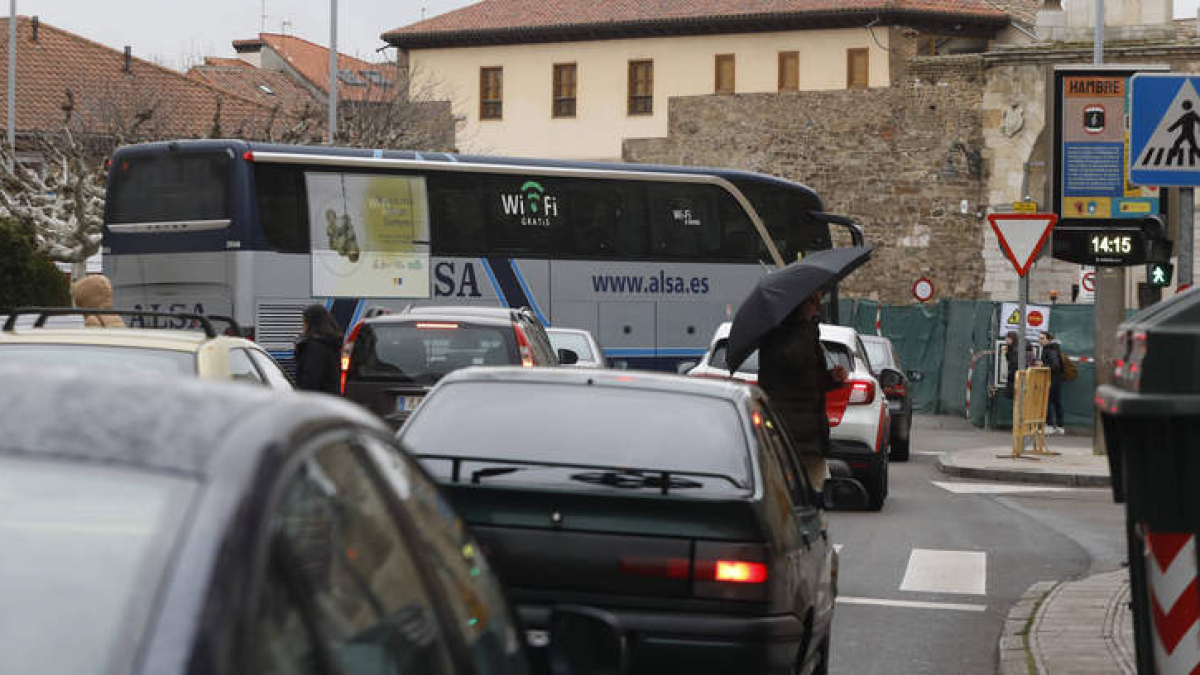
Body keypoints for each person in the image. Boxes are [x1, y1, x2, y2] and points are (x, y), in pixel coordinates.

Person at [757, 289, 849, 486]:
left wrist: (831, 378)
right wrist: (804, 326)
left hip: (811, 438)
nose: (818, 308)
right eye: (813, 301)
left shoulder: (806, 333)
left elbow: (808, 380)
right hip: (789, 436)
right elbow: (791, 361)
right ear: (800, 305)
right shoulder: (779, 333)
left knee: (816, 493)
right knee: (796, 495)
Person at [295, 304, 343, 395]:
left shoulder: (315, 347)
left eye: (304, 322)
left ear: (311, 324)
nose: (303, 327)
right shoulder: (331, 343)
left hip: (317, 400)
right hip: (332, 399)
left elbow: (310, 381)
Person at [1038, 331, 1066, 435]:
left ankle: (1049, 426)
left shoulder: (1049, 349)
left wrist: (1042, 365)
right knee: (1056, 401)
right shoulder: (1053, 348)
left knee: (1048, 401)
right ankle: (1060, 426)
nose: (1040, 340)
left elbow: (1055, 365)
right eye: (1039, 338)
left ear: (1048, 340)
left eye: (1042, 338)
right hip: (1056, 379)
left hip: (1051, 379)